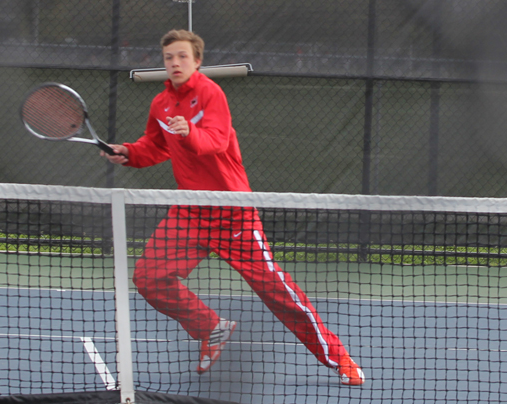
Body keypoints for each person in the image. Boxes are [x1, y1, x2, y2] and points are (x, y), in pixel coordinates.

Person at [101, 29, 365, 385]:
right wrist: (129, 153)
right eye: (168, 58)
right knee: (149, 279)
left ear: (197, 61)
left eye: (182, 56)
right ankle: (211, 327)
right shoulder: (160, 104)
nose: (175, 63)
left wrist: (187, 134)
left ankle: (338, 358)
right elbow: (154, 146)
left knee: (279, 295)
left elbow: (214, 140)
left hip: (232, 213)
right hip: (189, 212)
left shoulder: (211, 93)